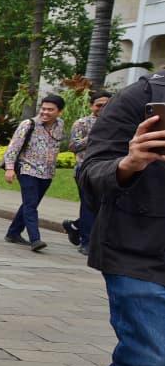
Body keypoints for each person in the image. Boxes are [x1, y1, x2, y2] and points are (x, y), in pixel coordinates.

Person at [69, 72, 165, 366]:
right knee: (149, 354)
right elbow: (90, 174)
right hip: (135, 247)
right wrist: (129, 164)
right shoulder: (142, 97)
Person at [3, 94, 65, 252]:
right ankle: (35, 239)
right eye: (43, 109)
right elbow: (13, 147)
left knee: (30, 203)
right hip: (27, 169)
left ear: (60, 112)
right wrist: (10, 168)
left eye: (50, 110)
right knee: (31, 204)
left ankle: (13, 233)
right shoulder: (28, 124)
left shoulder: (60, 125)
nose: (45, 112)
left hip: (47, 173)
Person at [63, 90, 112, 255]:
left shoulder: (118, 122)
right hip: (85, 169)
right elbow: (73, 146)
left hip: (109, 169)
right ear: (92, 106)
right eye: (99, 105)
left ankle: (75, 226)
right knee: (88, 205)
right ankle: (87, 242)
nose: (102, 108)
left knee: (104, 206)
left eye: (107, 105)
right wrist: (94, 135)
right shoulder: (82, 123)